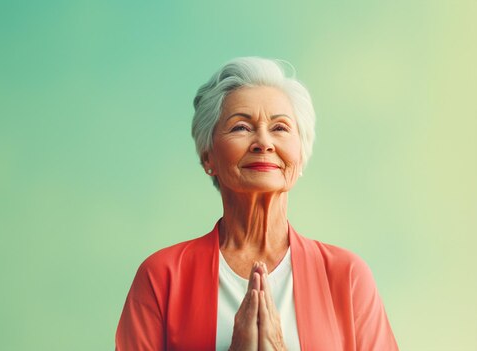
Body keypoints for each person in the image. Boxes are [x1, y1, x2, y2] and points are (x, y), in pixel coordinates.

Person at [115, 57, 398, 350]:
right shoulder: (162, 277)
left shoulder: (346, 276)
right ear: (208, 156)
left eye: (280, 128)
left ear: (300, 157)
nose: (263, 142)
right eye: (240, 127)